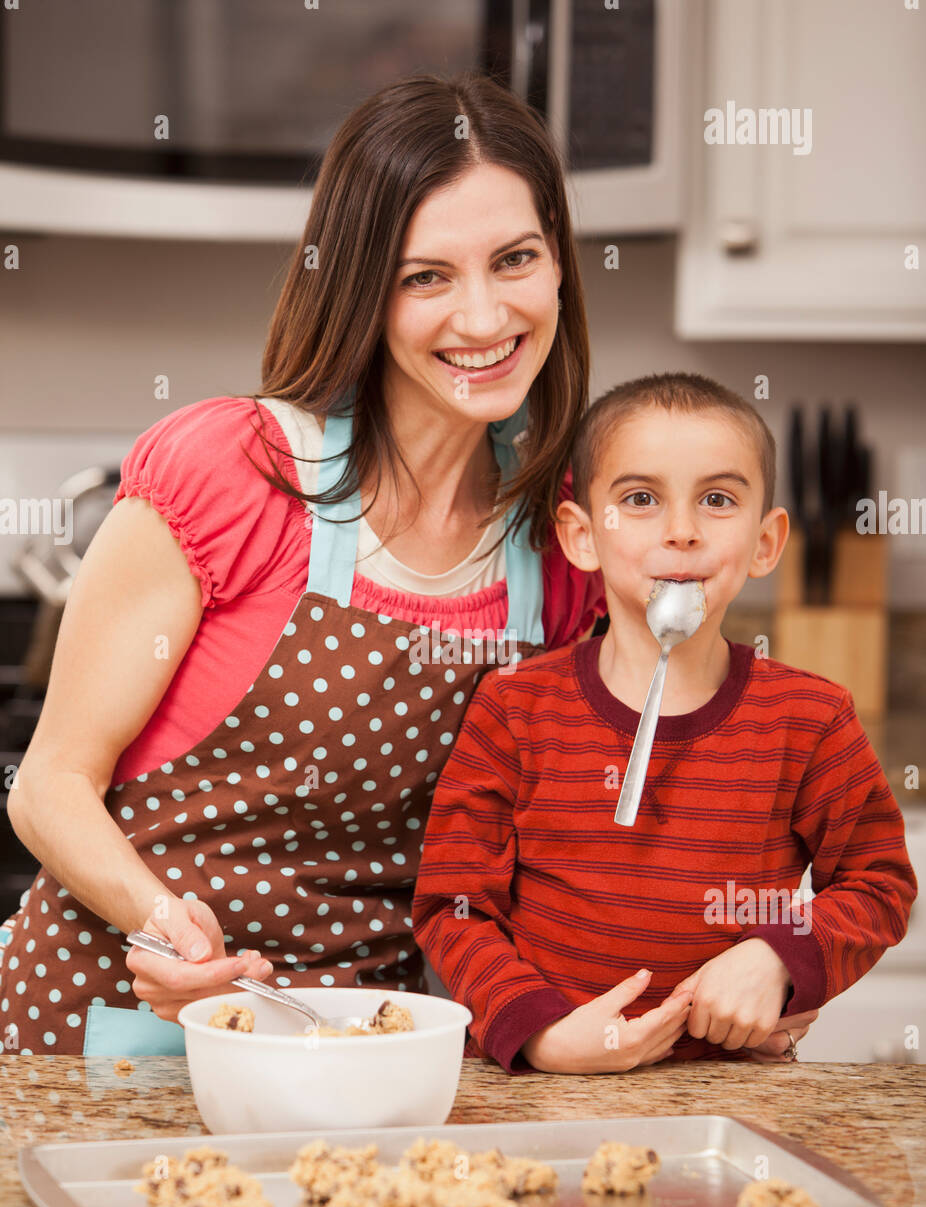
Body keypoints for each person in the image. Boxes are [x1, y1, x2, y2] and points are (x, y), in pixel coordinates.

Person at [0, 72, 607, 1056]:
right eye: (426, 277)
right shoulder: (231, 473)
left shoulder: (563, 536)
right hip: (106, 1038)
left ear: (558, 267)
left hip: (355, 1060)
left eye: (515, 259)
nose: (485, 316)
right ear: (362, 286)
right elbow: (50, 782)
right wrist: (163, 922)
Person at [411, 372, 918, 1075]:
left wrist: (777, 956)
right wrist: (543, 1036)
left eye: (717, 500)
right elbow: (453, 907)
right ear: (582, 537)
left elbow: (878, 884)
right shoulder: (512, 709)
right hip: (540, 1088)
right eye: (641, 500)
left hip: (731, 1093)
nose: (682, 532)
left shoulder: (811, 719)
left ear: (767, 543)